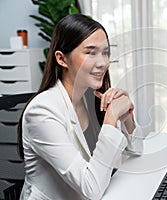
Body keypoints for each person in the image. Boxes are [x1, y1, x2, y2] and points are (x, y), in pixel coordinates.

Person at [17, 13, 144, 199]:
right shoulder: (42, 112)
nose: (102, 63)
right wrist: (111, 118)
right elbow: (90, 189)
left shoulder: (90, 98)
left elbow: (137, 150)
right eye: (91, 52)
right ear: (62, 59)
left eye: (105, 52)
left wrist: (127, 118)